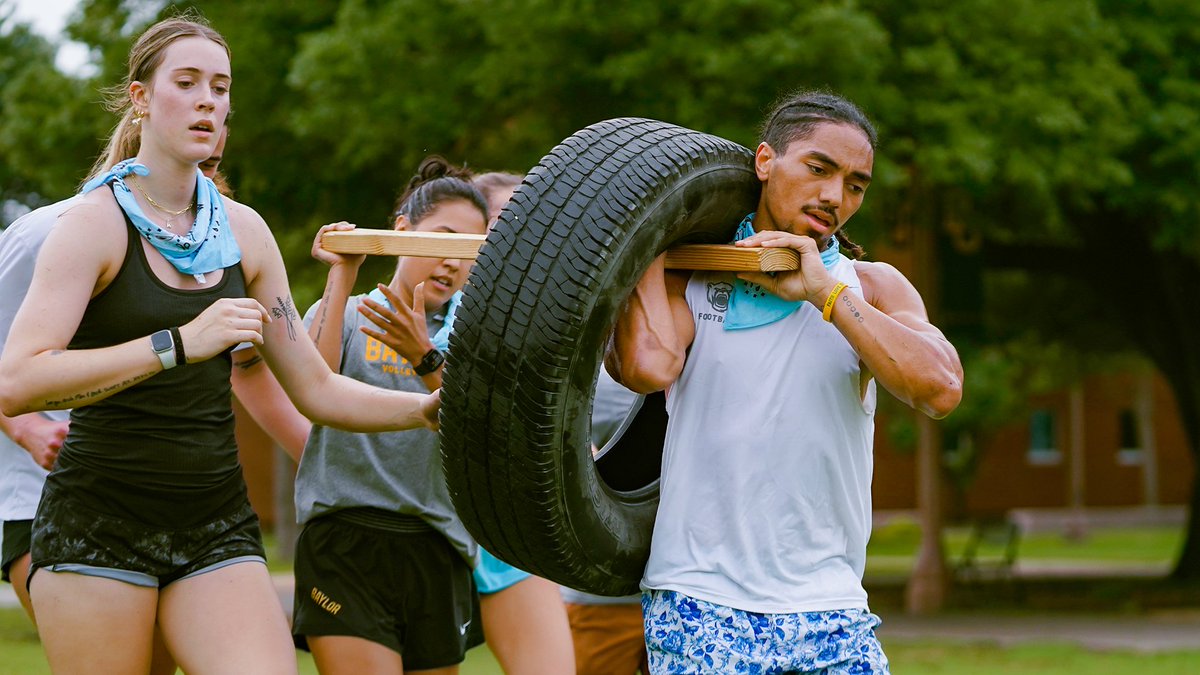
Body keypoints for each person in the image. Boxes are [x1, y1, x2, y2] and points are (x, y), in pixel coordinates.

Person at [0, 15, 437, 675]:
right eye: (188, 82)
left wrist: (426, 409)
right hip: (98, 523)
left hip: (215, 522)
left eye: (221, 86)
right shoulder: (91, 225)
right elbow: (20, 379)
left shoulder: (246, 232)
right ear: (141, 97)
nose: (209, 99)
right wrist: (177, 343)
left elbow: (316, 389)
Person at [607, 90, 964, 673]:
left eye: (855, 184)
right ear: (766, 160)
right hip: (701, 597)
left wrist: (823, 291)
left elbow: (939, 389)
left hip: (832, 603)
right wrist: (652, 235)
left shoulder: (872, 286)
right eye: (818, 169)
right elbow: (646, 367)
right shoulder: (692, 275)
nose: (834, 196)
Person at [0, 126, 237, 675]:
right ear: (145, 125)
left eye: (218, 155)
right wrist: (26, 427)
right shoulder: (49, 230)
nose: (208, 169)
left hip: (155, 504)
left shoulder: (211, 246)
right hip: (37, 502)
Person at [291, 156, 488, 675]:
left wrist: (426, 358)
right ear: (401, 230)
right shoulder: (352, 313)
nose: (450, 262)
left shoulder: (473, 342)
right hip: (344, 538)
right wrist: (344, 270)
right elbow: (313, 382)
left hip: (437, 545)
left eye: (467, 250)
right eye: (439, 240)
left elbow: (475, 427)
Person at [468, 171, 576, 675]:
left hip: (509, 541)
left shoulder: (549, 321)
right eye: (501, 222)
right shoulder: (408, 311)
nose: (517, 239)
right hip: (423, 530)